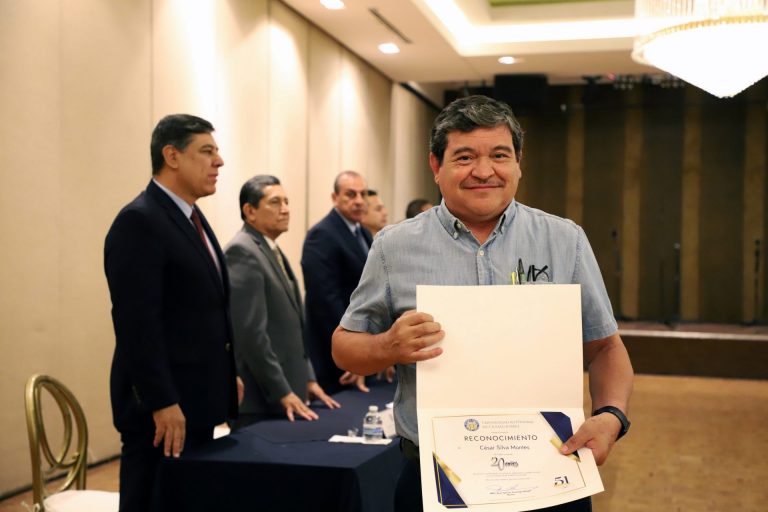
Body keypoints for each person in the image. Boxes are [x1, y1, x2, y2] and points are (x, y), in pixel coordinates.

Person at [332, 95, 634, 512]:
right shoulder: (393, 247)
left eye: (499, 155)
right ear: (436, 165)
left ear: (518, 163)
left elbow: (605, 347)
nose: (484, 171)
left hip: (549, 470)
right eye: (464, 157)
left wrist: (612, 415)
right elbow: (344, 346)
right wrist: (387, 346)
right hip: (435, 479)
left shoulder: (565, 240)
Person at [104, 114, 241, 512]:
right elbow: (137, 325)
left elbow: (200, 311)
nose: (219, 161)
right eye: (207, 151)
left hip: (196, 404)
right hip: (162, 414)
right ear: (172, 156)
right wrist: (161, 401)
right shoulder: (139, 221)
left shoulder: (191, 217)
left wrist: (225, 372)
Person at [224, 175, 340, 426]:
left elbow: (293, 327)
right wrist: (282, 391)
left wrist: (308, 379)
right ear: (250, 211)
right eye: (275, 202)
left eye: (286, 202)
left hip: (287, 393)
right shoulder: (242, 251)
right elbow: (251, 335)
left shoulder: (269, 248)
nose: (285, 209)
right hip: (262, 401)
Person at [301, 171, 373, 394]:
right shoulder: (321, 235)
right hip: (333, 355)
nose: (359, 200)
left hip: (361, 350)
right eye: (351, 194)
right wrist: (352, 351)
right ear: (335, 198)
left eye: (363, 194)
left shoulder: (363, 232)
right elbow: (325, 302)